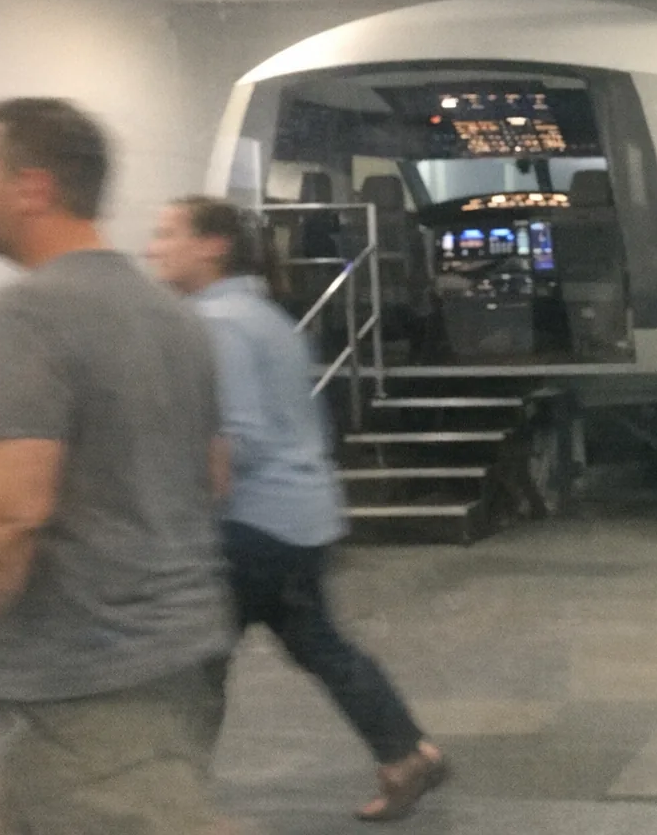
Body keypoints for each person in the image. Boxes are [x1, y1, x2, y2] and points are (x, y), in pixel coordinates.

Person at [0, 98, 232, 833]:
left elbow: (7, 516)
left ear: (32, 188)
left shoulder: (25, 316)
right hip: (173, 667)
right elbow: (216, 476)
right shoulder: (174, 315)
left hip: (92, 704)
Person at [147, 195, 448, 823]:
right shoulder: (262, 314)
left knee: (191, 664)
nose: (154, 246)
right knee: (316, 644)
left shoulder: (218, 321)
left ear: (212, 245)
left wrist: (177, 514)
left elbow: (237, 437)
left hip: (250, 527)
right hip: (299, 516)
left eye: (168, 233)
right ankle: (405, 753)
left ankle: (160, 797)